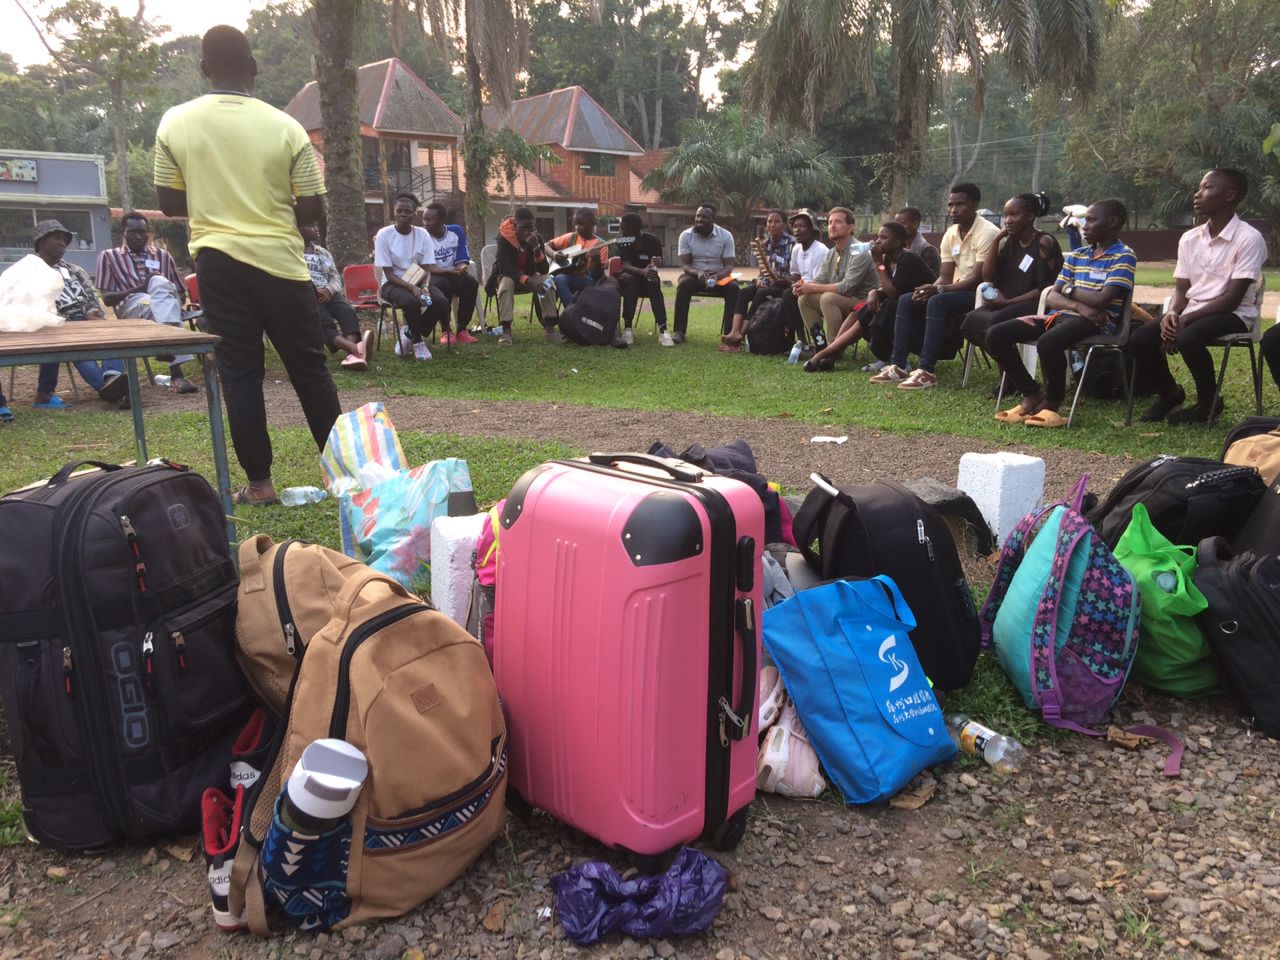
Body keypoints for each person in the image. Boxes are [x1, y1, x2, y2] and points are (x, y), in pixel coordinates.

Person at [154, 25, 341, 506]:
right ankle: (345, 479)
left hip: (218, 263)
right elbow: (312, 208)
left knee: (240, 374)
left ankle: (259, 484)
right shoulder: (286, 126)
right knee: (310, 371)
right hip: (281, 263)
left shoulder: (175, 122)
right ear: (255, 69)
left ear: (203, 68)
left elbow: (170, 201)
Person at [1130, 169, 1268, 424]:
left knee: (1188, 337)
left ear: (1230, 195)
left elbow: (1232, 298)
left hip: (1234, 314)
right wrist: (1173, 313)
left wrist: (1185, 321)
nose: (1197, 194)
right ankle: (1169, 393)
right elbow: (1183, 289)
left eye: (1207, 188)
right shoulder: (1190, 238)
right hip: (1192, 312)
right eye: (1199, 187)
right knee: (1139, 338)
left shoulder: (1249, 238)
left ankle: (1208, 403)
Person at [987, 199, 1136, 428]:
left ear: (1114, 222)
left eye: (1092, 220)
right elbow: (1052, 296)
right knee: (996, 334)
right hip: (1062, 316)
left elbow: (1102, 299)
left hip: (1098, 322)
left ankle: (1052, 405)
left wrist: (1069, 291)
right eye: (1085, 219)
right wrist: (1079, 304)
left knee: (1049, 342)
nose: (1084, 225)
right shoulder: (1078, 255)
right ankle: (1031, 393)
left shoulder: (1124, 256)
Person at [875, 183, 1000, 389]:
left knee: (938, 301)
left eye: (960, 204)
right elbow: (945, 276)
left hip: (983, 293)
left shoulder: (987, 232)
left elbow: (978, 279)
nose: (953, 210)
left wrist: (939, 290)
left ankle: (926, 370)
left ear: (975, 205)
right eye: (950, 205)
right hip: (956, 290)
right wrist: (929, 288)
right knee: (908, 299)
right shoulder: (951, 234)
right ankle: (898, 364)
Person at [804, 221, 933, 373]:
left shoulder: (908, 259)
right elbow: (888, 289)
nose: (878, 241)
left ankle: (824, 355)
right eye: (878, 237)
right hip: (898, 309)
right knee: (859, 313)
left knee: (883, 307)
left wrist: (877, 263)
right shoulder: (889, 259)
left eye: (884, 238)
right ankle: (830, 355)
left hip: (920, 313)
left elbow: (893, 292)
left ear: (898, 242)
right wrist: (875, 292)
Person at [96, 211, 200, 394]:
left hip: (165, 302)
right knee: (153, 297)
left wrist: (172, 298)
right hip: (131, 306)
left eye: (142, 232)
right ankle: (176, 371)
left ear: (148, 233)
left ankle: (165, 345)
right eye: (133, 232)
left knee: (160, 288)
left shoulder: (163, 256)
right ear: (123, 233)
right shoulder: (109, 256)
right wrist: (140, 288)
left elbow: (180, 292)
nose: (138, 236)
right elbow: (107, 298)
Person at [30, 218, 128, 409]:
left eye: (64, 239)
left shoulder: (75, 270)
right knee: (77, 348)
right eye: (56, 238)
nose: (62, 243)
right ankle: (110, 390)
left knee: (114, 335)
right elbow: (30, 306)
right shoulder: (30, 271)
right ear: (41, 242)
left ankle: (113, 379)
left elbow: (92, 298)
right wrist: (61, 321)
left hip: (85, 319)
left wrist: (93, 313)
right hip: (56, 324)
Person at [960, 193, 1063, 354]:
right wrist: (995, 240)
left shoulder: (1044, 242)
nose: (1007, 220)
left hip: (1036, 303)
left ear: (1030, 216)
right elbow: (988, 277)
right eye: (1006, 215)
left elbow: (1045, 287)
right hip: (1008, 301)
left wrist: (1009, 302)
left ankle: (1016, 378)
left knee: (995, 323)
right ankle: (1008, 372)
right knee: (970, 322)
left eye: (1014, 215)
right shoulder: (1011, 241)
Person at [374, 192, 450, 359]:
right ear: (393, 211)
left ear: (415, 214)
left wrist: (424, 287)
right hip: (392, 284)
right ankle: (418, 342)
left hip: (418, 281)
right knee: (410, 301)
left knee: (440, 301)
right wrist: (412, 288)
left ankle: (409, 332)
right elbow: (388, 272)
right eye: (399, 210)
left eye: (407, 211)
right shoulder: (384, 235)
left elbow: (426, 267)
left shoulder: (422, 235)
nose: (403, 214)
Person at [793, 206, 873, 348]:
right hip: (843, 299)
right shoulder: (831, 253)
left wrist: (812, 287)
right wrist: (803, 286)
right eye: (830, 223)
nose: (832, 226)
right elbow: (821, 279)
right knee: (805, 298)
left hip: (864, 302)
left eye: (838, 222)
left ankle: (833, 347)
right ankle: (820, 345)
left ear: (851, 227)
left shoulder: (860, 249)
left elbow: (847, 287)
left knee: (828, 298)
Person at [720, 210, 794, 352]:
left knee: (761, 293)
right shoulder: (764, 245)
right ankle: (734, 331)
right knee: (744, 292)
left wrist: (782, 279)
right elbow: (762, 271)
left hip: (784, 285)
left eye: (777, 221)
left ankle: (739, 337)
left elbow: (795, 273)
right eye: (769, 221)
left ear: (784, 224)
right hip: (767, 284)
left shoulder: (792, 244)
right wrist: (759, 279)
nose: (772, 225)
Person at [485, 207, 559, 345]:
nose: (528, 232)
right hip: (508, 276)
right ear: (515, 226)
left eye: (531, 227)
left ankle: (550, 327)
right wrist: (527, 280)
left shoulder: (537, 239)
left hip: (531, 276)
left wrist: (536, 248)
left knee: (548, 281)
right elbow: (506, 268)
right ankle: (506, 330)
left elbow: (544, 270)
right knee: (506, 284)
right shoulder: (504, 239)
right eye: (524, 227)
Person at [301, 223, 369, 371]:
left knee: (347, 311)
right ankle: (355, 349)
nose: (316, 229)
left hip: (329, 292)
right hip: (307, 295)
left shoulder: (323, 252)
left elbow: (335, 277)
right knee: (322, 319)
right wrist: (313, 291)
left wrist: (329, 290)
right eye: (311, 226)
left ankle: (352, 353)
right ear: (299, 229)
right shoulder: (292, 252)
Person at [673, 204, 738, 342]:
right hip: (695, 275)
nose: (699, 220)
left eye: (704, 217)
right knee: (683, 285)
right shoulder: (686, 235)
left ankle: (729, 333)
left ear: (713, 219)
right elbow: (685, 264)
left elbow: (729, 266)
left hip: (719, 275)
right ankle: (679, 331)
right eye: (698, 216)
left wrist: (716, 276)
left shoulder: (726, 236)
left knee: (733, 288)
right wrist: (698, 273)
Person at [421, 202, 479, 344]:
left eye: (429, 220)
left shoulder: (456, 231)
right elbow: (429, 267)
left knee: (471, 283)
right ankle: (446, 330)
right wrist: (450, 270)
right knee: (442, 285)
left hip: (453, 273)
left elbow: (461, 258)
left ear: (441, 220)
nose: (425, 223)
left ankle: (462, 329)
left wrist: (462, 267)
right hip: (433, 276)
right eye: (424, 219)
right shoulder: (423, 236)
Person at [615, 212, 671, 346]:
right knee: (631, 282)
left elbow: (659, 261)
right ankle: (628, 328)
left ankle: (663, 329)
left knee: (653, 282)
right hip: (630, 277)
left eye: (624, 226)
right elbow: (625, 265)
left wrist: (657, 262)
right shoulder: (623, 242)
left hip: (648, 277)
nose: (622, 229)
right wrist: (642, 272)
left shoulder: (653, 241)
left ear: (635, 228)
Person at [546, 208, 607, 309]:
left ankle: (573, 313)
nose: (578, 228)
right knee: (548, 282)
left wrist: (596, 260)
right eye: (576, 224)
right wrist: (554, 255)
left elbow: (599, 275)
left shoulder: (601, 245)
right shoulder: (571, 237)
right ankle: (555, 317)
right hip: (568, 275)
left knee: (560, 279)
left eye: (581, 224)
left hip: (588, 280)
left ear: (592, 224)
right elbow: (546, 245)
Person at [895, 207, 942, 277]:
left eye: (902, 224)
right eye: (896, 224)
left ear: (916, 224)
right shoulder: (896, 248)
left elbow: (932, 280)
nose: (897, 228)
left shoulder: (928, 250)